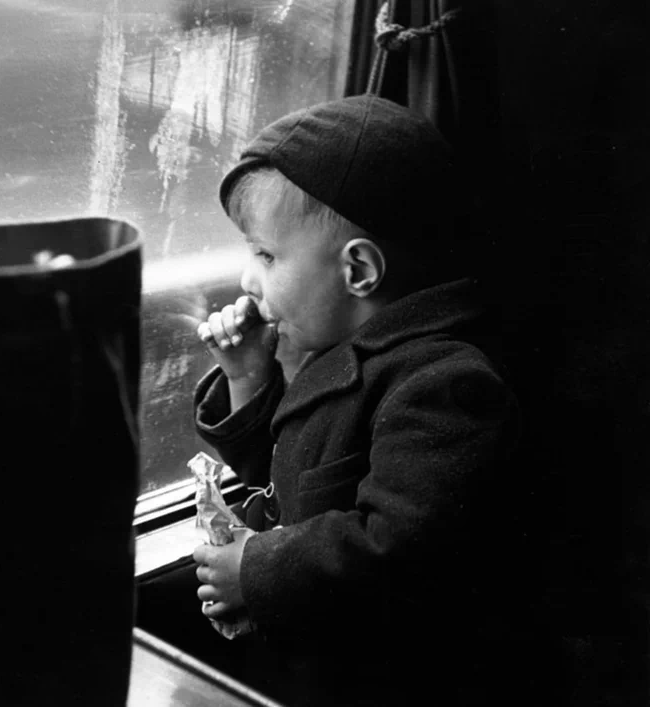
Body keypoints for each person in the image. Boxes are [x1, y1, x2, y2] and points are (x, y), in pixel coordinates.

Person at [191, 95, 557, 706]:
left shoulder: (446, 386)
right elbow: (294, 478)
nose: (248, 280)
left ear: (358, 270)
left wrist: (257, 570)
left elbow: (401, 546)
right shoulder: (333, 348)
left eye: (266, 255)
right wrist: (248, 378)